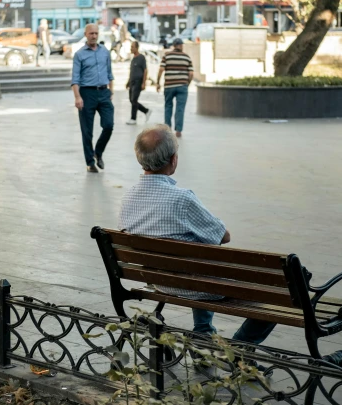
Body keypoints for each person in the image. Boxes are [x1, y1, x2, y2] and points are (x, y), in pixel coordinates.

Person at [118, 125, 275, 346]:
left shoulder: (128, 198)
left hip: (157, 280)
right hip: (193, 285)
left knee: (195, 253)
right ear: (173, 159)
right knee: (274, 292)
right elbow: (223, 236)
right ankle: (240, 350)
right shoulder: (182, 200)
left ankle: (203, 332)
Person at [71, 23, 114, 174]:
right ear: (85, 34)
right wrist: (77, 97)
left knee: (108, 125)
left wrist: (111, 92)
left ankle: (98, 151)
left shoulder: (105, 52)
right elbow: (75, 79)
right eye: (91, 34)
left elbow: (110, 74)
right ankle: (90, 162)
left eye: (96, 33)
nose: (94, 36)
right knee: (87, 131)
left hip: (104, 93)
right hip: (86, 94)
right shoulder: (80, 54)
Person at [156, 37, 193, 138]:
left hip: (169, 86)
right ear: (181, 46)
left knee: (168, 106)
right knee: (180, 108)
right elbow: (191, 73)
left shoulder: (167, 56)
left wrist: (158, 82)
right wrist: (187, 83)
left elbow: (161, 69)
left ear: (173, 46)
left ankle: (167, 130)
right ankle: (178, 130)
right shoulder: (186, 57)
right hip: (182, 86)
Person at [126, 41, 152, 125]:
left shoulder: (141, 58)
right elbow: (132, 71)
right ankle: (146, 111)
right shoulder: (133, 59)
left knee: (134, 99)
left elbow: (145, 70)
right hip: (132, 82)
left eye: (132, 47)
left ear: (137, 48)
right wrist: (128, 81)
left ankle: (133, 118)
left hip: (138, 81)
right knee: (131, 100)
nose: (131, 48)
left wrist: (144, 83)